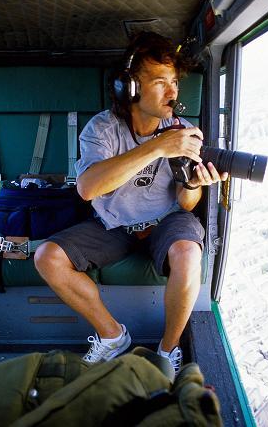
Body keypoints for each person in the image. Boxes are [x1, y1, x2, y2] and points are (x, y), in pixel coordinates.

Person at [34, 32, 228, 375]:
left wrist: (193, 183)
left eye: (174, 82)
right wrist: (157, 147)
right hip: (114, 224)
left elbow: (186, 204)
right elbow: (88, 188)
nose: (172, 92)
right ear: (131, 88)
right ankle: (112, 337)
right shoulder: (103, 129)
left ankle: (167, 352)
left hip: (166, 221)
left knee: (187, 252)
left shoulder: (183, 131)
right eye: (159, 82)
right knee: (47, 257)